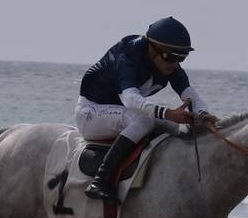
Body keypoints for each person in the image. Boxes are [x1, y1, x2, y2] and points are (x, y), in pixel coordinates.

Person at [75, 16, 218, 202]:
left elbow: (190, 94)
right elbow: (131, 100)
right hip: (90, 113)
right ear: (152, 48)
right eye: (171, 57)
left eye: (181, 58)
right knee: (144, 120)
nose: (175, 64)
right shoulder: (127, 58)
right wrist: (168, 113)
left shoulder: (169, 64)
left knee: (174, 128)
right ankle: (101, 181)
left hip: (118, 113)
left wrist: (202, 114)